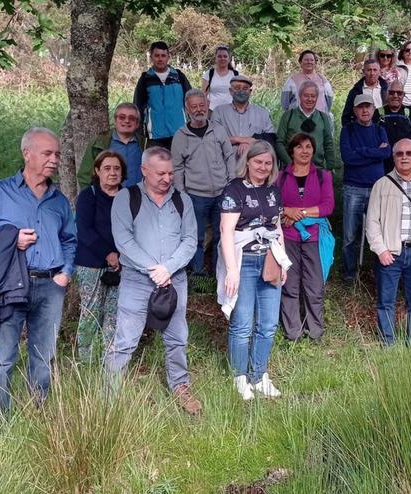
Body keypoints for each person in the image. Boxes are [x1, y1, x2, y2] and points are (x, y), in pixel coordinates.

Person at [0, 128, 77, 417]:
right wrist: (10, 240)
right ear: (27, 153)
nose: (54, 159)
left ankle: (37, 413)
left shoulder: (59, 200)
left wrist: (65, 272)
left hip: (50, 285)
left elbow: (69, 239)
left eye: (57, 154)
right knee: (2, 357)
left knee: (44, 355)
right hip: (9, 285)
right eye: (47, 153)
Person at [107, 147, 200, 414]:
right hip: (137, 281)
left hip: (174, 281)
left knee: (177, 338)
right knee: (125, 340)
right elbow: (123, 240)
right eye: (160, 173)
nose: (166, 178)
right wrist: (152, 268)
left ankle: (180, 386)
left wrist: (168, 269)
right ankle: (110, 398)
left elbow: (190, 240)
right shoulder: (127, 198)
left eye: (171, 173)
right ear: (144, 170)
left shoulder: (183, 201)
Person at [218, 141, 287, 399]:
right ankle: (239, 376)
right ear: (248, 161)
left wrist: (284, 260)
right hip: (244, 260)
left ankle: (259, 375)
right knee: (242, 324)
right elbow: (226, 231)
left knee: (268, 323)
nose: (263, 167)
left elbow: (277, 227)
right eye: (258, 162)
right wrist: (232, 270)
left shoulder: (273, 190)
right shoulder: (234, 190)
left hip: (269, 259)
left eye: (268, 163)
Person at [366, 139, 411, 346]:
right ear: (394, 157)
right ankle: (388, 343)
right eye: (400, 153)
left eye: (409, 153)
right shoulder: (381, 185)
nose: (405, 157)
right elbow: (372, 221)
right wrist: (380, 250)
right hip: (391, 252)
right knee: (385, 301)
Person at [277, 134, 335, 343]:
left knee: (314, 287)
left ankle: (315, 333)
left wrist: (296, 213)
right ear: (292, 151)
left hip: (314, 238)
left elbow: (328, 206)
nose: (305, 151)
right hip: (288, 237)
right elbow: (275, 205)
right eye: (299, 147)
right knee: (289, 285)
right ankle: (292, 332)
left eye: (309, 146)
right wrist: (286, 211)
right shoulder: (281, 177)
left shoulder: (322, 175)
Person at [172, 89, 235, 276]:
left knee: (221, 235)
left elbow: (229, 156)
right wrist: (182, 193)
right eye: (194, 106)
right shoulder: (181, 136)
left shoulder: (218, 129)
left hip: (222, 193)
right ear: (187, 109)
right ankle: (198, 276)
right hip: (195, 195)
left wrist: (231, 183)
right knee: (196, 237)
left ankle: (218, 274)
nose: (199, 110)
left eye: (202, 105)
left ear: (207, 106)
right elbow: (177, 167)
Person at [74, 150, 125, 362]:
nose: (112, 173)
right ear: (97, 171)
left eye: (116, 168)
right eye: (107, 168)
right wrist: (108, 254)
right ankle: (85, 361)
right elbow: (84, 230)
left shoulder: (128, 196)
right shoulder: (88, 196)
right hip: (91, 264)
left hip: (122, 265)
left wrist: (122, 257)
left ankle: (110, 361)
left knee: (115, 314)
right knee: (91, 312)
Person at [339, 94, 392, 280]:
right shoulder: (348, 130)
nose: (364, 110)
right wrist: (374, 152)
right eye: (360, 107)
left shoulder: (380, 130)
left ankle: (381, 272)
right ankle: (350, 274)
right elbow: (348, 157)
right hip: (353, 188)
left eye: (368, 106)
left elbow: (386, 153)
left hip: (377, 188)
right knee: (349, 235)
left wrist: (361, 151)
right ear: (354, 111)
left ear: (373, 109)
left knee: (380, 232)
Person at [133, 41, 192, 149]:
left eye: (163, 55)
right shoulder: (145, 79)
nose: (160, 59)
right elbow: (137, 107)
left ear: (168, 57)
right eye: (157, 56)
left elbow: (191, 102)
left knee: (179, 165)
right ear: (151, 57)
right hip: (155, 136)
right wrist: (139, 133)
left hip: (179, 132)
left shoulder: (179, 77)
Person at [212, 74, 277, 167]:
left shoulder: (262, 113)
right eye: (237, 88)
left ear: (250, 92)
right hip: (227, 165)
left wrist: (252, 143)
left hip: (256, 166)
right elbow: (214, 138)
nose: (241, 91)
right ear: (231, 91)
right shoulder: (219, 112)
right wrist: (240, 139)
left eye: (245, 88)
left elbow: (271, 138)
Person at [79, 103, 144, 189]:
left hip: (138, 196)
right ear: (115, 120)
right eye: (122, 117)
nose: (127, 121)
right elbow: (85, 176)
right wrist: (91, 197)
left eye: (131, 118)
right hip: (107, 198)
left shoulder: (145, 144)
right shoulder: (98, 143)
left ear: (137, 123)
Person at [275, 81, 336, 170]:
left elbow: (328, 144)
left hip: (317, 170)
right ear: (300, 96)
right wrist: (290, 164)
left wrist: (330, 168)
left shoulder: (323, 117)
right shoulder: (288, 116)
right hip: (292, 170)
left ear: (317, 97)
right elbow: (279, 142)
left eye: (313, 96)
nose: (309, 99)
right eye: (306, 95)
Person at [281, 49, 335, 116]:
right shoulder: (292, 80)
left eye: (312, 60)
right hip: (297, 120)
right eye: (306, 60)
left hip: (320, 120)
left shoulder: (323, 80)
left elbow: (329, 101)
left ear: (315, 63)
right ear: (300, 62)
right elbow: (285, 103)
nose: (309, 62)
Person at [381, 81, 411, 173]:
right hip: (383, 164)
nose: (395, 96)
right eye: (391, 92)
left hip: (404, 163)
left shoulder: (410, 114)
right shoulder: (377, 114)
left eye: (399, 93)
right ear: (386, 93)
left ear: (403, 95)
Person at [341, 59, 389, 126]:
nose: (372, 73)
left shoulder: (387, 90)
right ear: (364, 72)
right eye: (369, 70)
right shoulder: (356, 91)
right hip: (362, 130)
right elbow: (346, 117)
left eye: (375, 70)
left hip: (384, 129)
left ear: (379, 71)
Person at [201, 45, 239, 112]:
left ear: (229, 59)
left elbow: (239, 93)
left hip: (231, 111)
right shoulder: (209, 74)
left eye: (225, 56)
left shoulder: (235, 74)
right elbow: (203, 94)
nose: (222, 59)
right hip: (212, 111)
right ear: (215, 58)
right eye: (219, 56)